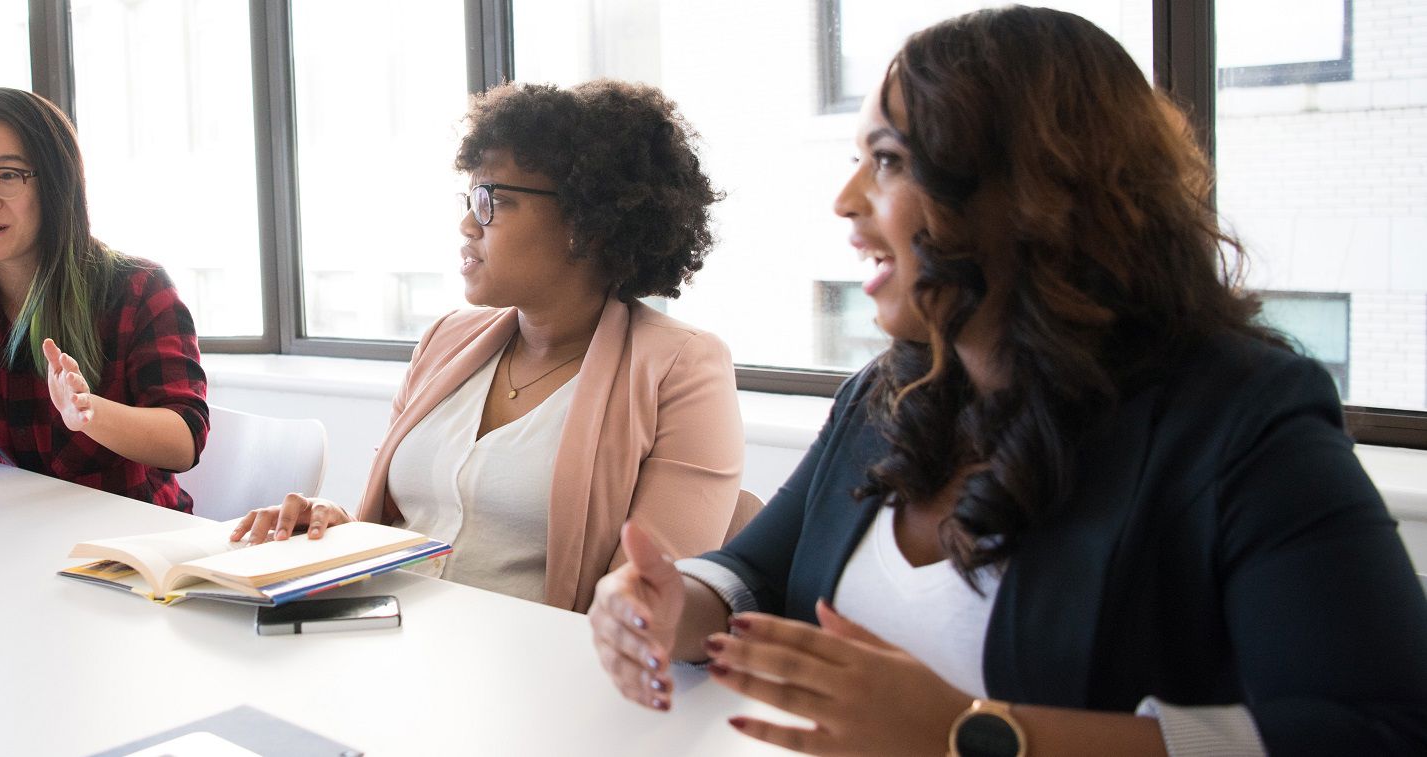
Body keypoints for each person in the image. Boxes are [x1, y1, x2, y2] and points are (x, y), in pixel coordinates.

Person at [589, 7, 1427, 755]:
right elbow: (755, 574)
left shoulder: (1242, 419)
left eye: (886, 159)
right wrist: (673, 603)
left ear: (1033, 190)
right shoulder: (891, 390)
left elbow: (1377, 729)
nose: (846, 199)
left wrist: (971, 736)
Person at [229, 80, 745, 613]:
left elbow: (647, 607)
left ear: (587, 226)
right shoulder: (445, 340)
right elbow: (403, 525)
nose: (467, 224)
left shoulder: (681, 368)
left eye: (491, 200)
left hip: (535, 675)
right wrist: (334, 530)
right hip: (380, 640)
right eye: (469, 198)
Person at [0, 88, 209, 511]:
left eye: (8, 175)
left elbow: (184, 440)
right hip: (3, 536)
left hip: (125, 545)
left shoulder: (137, 288)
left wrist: (89, 413)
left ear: (55, 183)